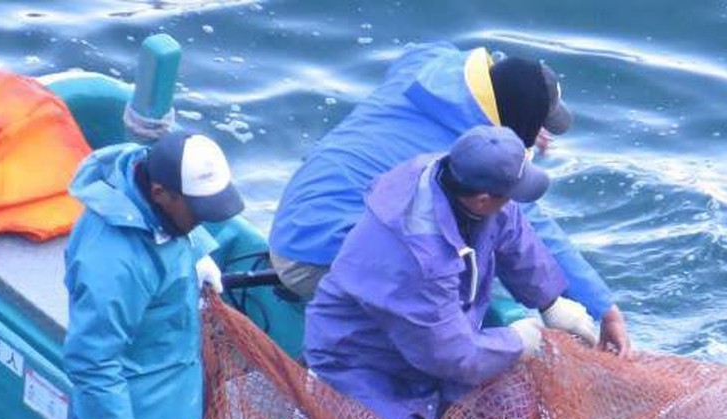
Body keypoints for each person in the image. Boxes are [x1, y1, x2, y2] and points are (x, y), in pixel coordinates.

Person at [269, 42, 630, 356]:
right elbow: (532, 229)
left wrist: (517, 125)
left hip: (294, 222)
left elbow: (427, 47)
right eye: (533, 126)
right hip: (314, 259)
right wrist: (604, 308)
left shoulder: (431, 70)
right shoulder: (466, 155)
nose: (537, 136)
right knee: (475, 247)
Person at [303, 125, 585, 419]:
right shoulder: (418, 256)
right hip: (359, 361)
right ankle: (321, 406)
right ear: (481, 200)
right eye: (509, 195)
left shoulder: (456, 175)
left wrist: (551, 302)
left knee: (514, 412)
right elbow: (452, 356)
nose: (510, 202)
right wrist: (517, 342)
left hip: (434, 342)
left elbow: (511, 229)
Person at [62, 129, 245, 419]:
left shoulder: (146, 181)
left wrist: (197, 252)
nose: (203, 221)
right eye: (198, 212)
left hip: (175, 397)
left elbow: (169, 233)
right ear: (161, 194)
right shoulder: (113, 265)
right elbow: (91, 360)